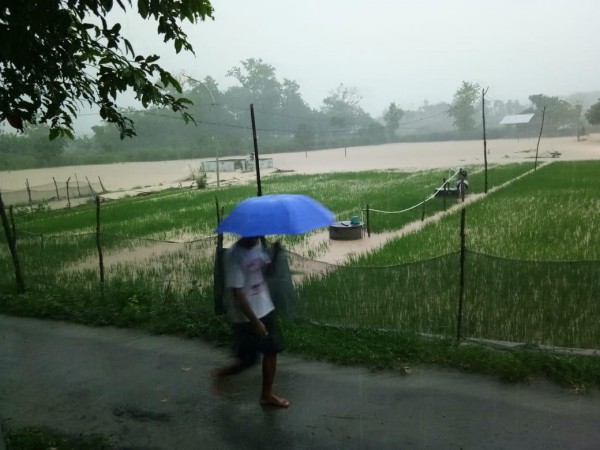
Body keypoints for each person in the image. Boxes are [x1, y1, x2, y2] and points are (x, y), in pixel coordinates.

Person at [212, 236, 290, 408]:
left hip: (265, 307)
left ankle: (267, 395)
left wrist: (275, 254)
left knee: (271, 351)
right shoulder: (234, 255)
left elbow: (267, 273)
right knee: (248, 360)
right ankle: (221, 374)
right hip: (245, 316)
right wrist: (255, 322)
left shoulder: (257, 247)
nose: (259, 235)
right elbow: (237, 293)